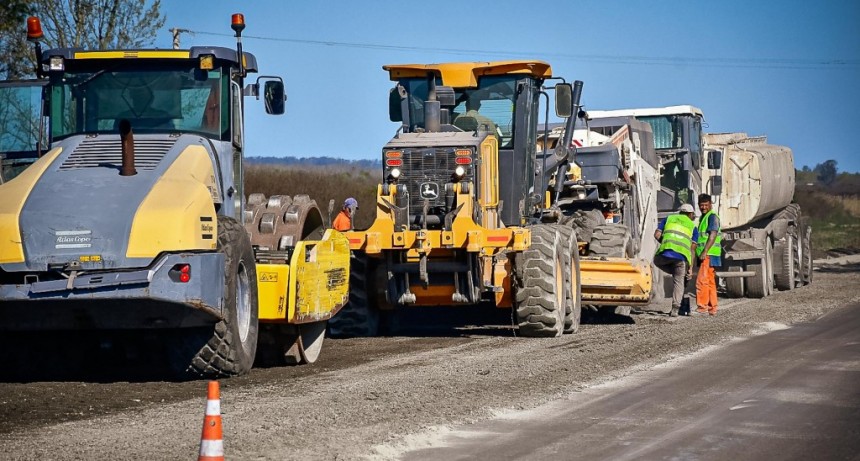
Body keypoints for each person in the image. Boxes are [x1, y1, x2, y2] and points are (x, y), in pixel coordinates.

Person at [654, 203, 698, 317]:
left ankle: (676, 272)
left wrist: (665, 242)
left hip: (664, 254)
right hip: (681, 258)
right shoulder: (693, 227)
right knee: (679, 281)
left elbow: (657, 234)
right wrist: (690, 268)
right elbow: (692, 250)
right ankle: (675, 309)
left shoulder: (668, 218)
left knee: (656, 261)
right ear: (690, 214)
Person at [695, 193, 722, 316]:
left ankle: (702, 307)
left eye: (706, 205)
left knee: (702, 280)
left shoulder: (712, 217)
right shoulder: (703, 217)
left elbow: (713, 235)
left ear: (711, 204)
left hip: (709, 254)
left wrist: (704, 251)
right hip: (710, 254)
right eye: (701, 205)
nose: (703, 207)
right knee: (710, 281)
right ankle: (712, 308)